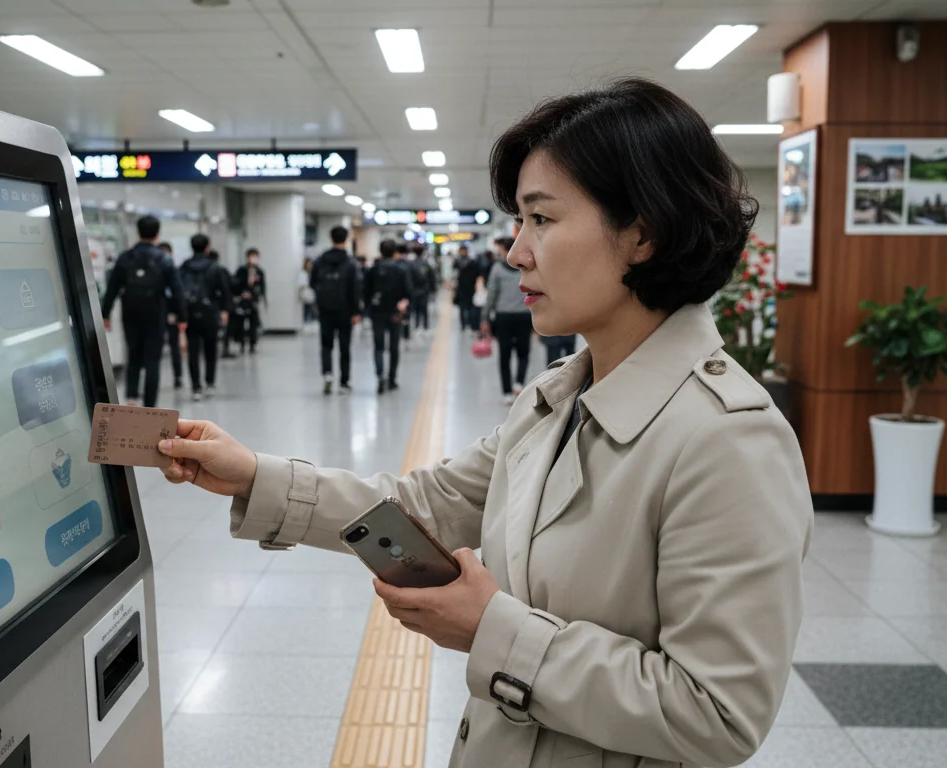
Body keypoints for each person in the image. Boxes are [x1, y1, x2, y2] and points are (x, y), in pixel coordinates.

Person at [156, 77, 810, 768]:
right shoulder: (557, 399)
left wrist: (493, 629)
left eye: (542, 219)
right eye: (519, 222)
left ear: (642, 232)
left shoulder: (728, 440)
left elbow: (718, 715)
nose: (515, 252)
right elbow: (422, 509)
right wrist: (253, 479)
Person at [100, 216, 185, 408]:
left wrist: (105, 314)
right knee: (152, 360)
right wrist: (182, 317)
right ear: (157, 233)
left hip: (130, 313)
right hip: (156, 313)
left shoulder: (125, 258)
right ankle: (149, 405)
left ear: (138, 231)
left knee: (133, 355)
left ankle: (131, 397)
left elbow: (112, 288)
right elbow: (177, 290)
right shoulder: (164, 259)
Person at [179, 235, 232, 401]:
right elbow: (224, 290)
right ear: (207, 247)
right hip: (210, 312)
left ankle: (196, 387)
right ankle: (209, 383)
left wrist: (179, 314)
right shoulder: (214, 267)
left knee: (193, 351)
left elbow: (178, 291)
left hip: (190, 312)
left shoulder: (184, 267)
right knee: (210, 348)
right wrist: (224, 310)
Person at [311, 226, 361, 395]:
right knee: (344, 346)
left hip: (325, 309)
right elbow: (355, 289)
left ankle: (327, 374)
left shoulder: (319, 260)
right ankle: (344, 382)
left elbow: (313, 283)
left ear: (330, 238)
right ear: (346, 239)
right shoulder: (350, 262)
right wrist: (356, 312)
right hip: (345, 311)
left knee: (326, 344)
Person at [484, 236, 533, 405]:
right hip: (524, 315)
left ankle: (506, 392)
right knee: (523, 352)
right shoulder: (525, 267)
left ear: (505, 250)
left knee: (504, 355)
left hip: (503, 316)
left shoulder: (497, 268)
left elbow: (491, 295)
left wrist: (485, 317)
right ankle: (519, 382)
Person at [365, 239, 414, 394]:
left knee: (378, 346)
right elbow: (409, 292)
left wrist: (368, 310)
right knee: (394, 347)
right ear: (394, 252)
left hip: (377, 312)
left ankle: (380, 375)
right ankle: (392, 379)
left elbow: (366, 292)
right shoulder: (401, 270)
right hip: (395, 313)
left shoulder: (373, 270)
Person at [159, 241, 185, 391]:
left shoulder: (175, 271)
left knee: (174, 345)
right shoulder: (170, 271)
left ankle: (178, 376)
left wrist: (180, 316)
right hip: (160, 314)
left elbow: (179, 294)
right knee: (158, 346)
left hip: (170, 314)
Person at [232, 248, 267, 355]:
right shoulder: (241, 270)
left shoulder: (259, 272)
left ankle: (253, 343)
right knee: (241, 322)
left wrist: (262, 297)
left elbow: (262, 286)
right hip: (242, 299)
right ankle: (242, 342)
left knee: (253, 322)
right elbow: (235, 283)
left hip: (253, 300)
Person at [407, 244, 438, 335]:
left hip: (414, 290)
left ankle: (416, 325)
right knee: (424, 309)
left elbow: (409, 279)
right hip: (425, 289)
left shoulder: (411, 264)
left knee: (415, 309)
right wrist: (433, 289)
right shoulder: (426, 264)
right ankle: (425, 326)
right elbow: (432, 278)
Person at [455, 246, 482, 332]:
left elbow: (478, 276)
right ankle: (463, 324)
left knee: (470, 307)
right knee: (462, 308)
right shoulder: (457, 262)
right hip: (461, 289)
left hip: (470, 289)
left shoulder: (472, 263)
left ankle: (470, 323)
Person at [299, 257, 316, 325]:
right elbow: (302, 284)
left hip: (311, 294)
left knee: (311, 309)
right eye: (309, 264)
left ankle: (308, 322)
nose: (310, 265)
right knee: (306, 309)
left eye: (311, 264)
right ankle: (305, 322)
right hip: (306, 293)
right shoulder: (303, 273)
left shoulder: (312, 273)